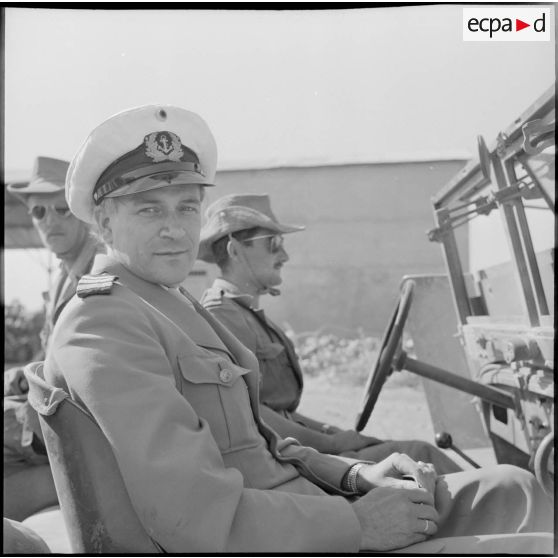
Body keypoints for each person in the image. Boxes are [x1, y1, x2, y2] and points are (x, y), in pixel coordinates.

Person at [26, 104, 553, 553]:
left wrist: (354, 476)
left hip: (299, 512)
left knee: (515, 488)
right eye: (148, 209)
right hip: (285, 539)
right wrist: (358, 523)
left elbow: (259, 440)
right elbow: (190, 515)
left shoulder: (164, 301)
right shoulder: (104, 321)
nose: (174, 228)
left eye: (187, 206)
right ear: (103, 222)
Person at [198, 194, 462, 473]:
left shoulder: (243, 313)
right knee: (418, 456)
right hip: (278, 465)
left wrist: (332, 432)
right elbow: (252, 414)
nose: (284, 256)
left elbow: (278, 411)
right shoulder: (221, 315)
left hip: (290, 453)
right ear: (235, 250)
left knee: (413, 456)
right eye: (273, 244)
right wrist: (331, 444)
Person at [4, 157, 103, 521]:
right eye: (39, 212)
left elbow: (88, 373)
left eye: (62, 209)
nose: (50, 221)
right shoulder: (66, 272)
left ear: (83, 213)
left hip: (80, 424)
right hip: (55, 415)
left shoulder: (97, 272)